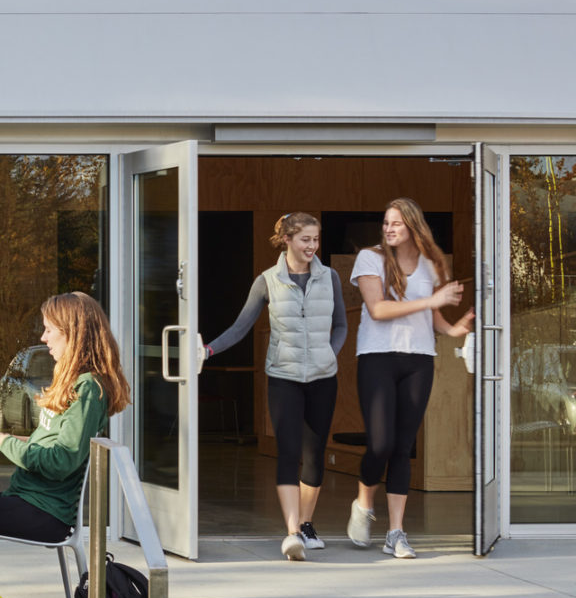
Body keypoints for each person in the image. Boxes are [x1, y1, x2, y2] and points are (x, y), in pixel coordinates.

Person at [200, 212, 347, 561]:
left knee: (314, 455)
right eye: (305, 239)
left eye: (316, 239)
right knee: (289, 451)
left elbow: (341, 324)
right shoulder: (267, 281)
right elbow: (241, 326)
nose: (312, 246)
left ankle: (307, 524)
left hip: (323, 378)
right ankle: (292, 531)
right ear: (288, 240)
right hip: (284, 377)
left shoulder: (331, 278)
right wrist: (208, 350)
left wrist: (330, 353)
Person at [0, 293, 130, 545]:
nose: (43, 338)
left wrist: (2, 441)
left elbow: (61, 461)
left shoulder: (87, 388)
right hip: (26, 500)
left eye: (48, 330)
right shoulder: (72, 381)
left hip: (44, 514)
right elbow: (46, 442)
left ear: (72, 333)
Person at [347, 199, 473, 559]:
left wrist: (452, 329)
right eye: (386, 223)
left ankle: (395, 533)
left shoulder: (433, 263)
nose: (389, 229)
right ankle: (363, 500)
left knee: (403, 447)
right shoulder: (370, 258)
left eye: (396, 224)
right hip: (377, 357)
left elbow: (431, 316)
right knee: (381, 443)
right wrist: (433, 300)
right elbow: (378, 309)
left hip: (419, 359)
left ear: (413, 227)